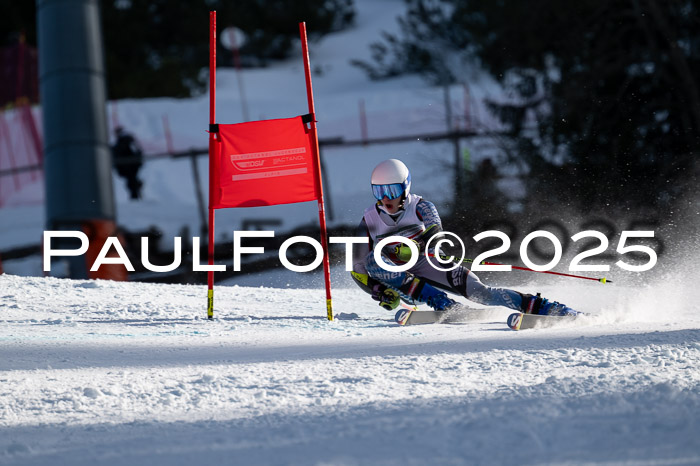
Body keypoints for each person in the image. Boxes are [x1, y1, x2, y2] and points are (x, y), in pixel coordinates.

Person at [351, 158, 579, 320]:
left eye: (392, 191)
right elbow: (358, 269)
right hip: (402, 283)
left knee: (483, 293)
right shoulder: (368, 219)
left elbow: (436, 232)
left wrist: (415, 247)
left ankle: (547, 308)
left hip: (429, 264)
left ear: (405, 187)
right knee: (374, 260)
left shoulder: (421, 206)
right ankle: (442, 303)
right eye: (379, 192)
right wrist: (378, 291)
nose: (386, 199)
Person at [112, 127, 144, 200]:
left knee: (131, 181)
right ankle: (136, 192)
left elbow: (120, 151)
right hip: (130, 165)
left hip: (130, 165)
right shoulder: (128, 140)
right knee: (132, 180)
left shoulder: (126, 140)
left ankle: (135, 196)